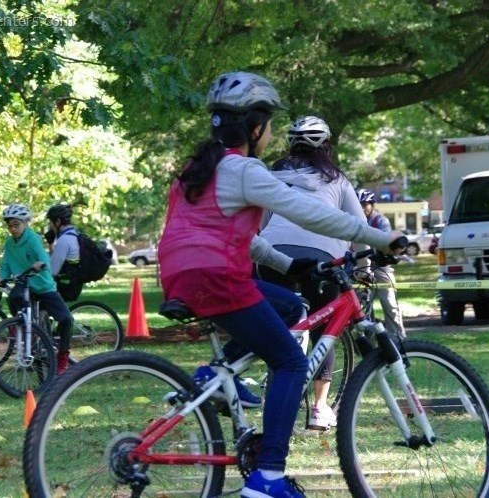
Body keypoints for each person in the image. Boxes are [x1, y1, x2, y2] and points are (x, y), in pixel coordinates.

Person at [157, 71, 404, 498]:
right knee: (290, 362)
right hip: (219, 277)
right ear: (255, 128)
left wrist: (289, 265)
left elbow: (245, 239)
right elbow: (312, 213)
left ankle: (214, 376)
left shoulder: (197, 171)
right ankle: (268, 477)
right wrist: (382, 237)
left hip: (182, 274)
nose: (271, 134)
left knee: (291, 307)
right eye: (269, 125)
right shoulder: (244, 170)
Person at [258, 115, 365, 431]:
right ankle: (319, 408)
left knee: (281, 331)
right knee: (325, 328)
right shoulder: (337, 180)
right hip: (321, 257)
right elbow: (359, 228)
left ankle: (277, 399)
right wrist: (363, 267)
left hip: (272, 255)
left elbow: (261, 224)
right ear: (327, 146)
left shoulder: (273, 176)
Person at [0, 203, 74, 375]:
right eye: (9, 225)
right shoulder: (9, 243)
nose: (13, 229)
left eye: (16, 224)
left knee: (66, 319)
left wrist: (41, 263)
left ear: (25, 223)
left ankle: (63, 356)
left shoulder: (33, 239)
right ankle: (22, 328)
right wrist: (1, 276)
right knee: (14, 297)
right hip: (24, 283)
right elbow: (6, 263)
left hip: (43, 284)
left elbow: (43, 257)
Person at [359, 190, 406, 339]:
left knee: (390, 303)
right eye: (359, 204)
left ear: (372, 205)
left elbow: (385, 241)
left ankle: (398, 338)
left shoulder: (380, 220)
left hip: (381, 266)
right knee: (362, 305)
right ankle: (368, 341)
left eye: (365, 204)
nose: (362, 208)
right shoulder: (354, 220)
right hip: (361, 266)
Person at [45, 204, 82, 302]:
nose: (50, 226)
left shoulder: (64, 240)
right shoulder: (74, 235)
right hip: (72, 283)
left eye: (51, 223)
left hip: (65, 286)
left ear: (57, 221)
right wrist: (51, 243)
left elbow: (53, 270)